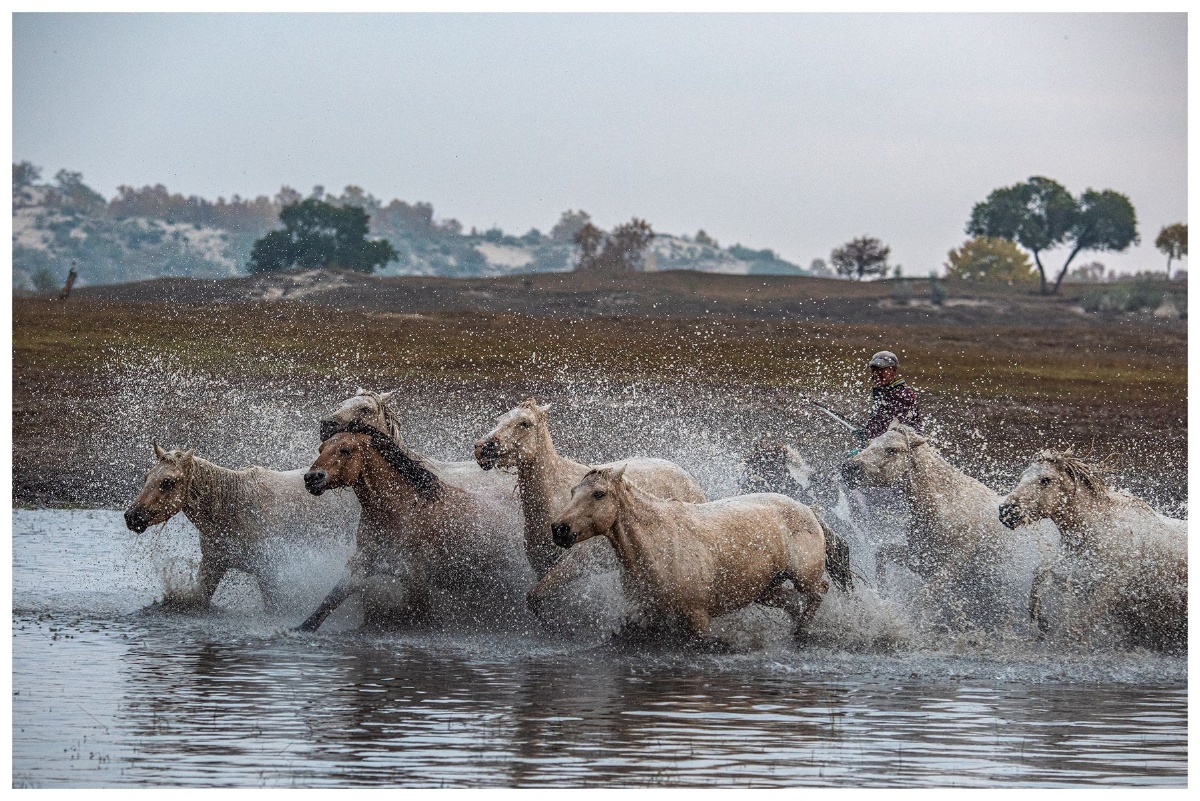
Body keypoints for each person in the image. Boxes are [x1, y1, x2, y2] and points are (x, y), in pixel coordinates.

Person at [853, 350, 922, 445]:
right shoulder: (884, 393)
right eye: (873, 370)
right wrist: (867, 432)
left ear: (893, 371)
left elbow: (895, 430)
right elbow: (881, 424)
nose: (876, 374)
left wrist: (869, 437)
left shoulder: (903, 395)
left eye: (881, 370)